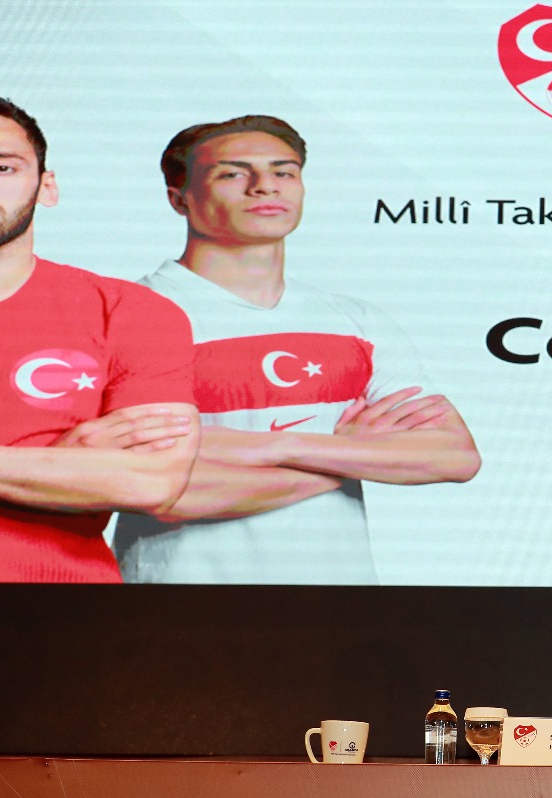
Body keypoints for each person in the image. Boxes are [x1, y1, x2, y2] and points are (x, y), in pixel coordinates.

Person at [112, 115, 480, 583]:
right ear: (179, 199)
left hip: (338, 603)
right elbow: (162, 493)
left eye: (283, 171)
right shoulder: (130, 315)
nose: (264, 186)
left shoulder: (355, 320)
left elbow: (454, 455)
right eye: (232, 173)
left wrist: (278, 445)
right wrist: (345, 454)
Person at [0, 89, 198, 582]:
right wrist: (53, 465)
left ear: (47, 186)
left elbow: (152, 482)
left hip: (65, 611)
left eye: (2, 167)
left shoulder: (129, 312)